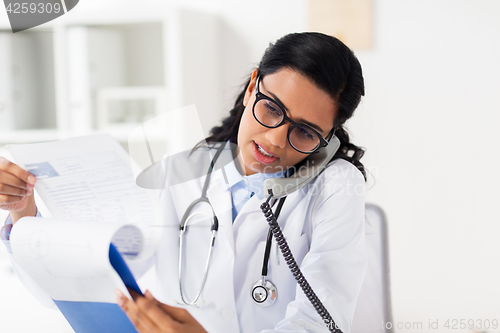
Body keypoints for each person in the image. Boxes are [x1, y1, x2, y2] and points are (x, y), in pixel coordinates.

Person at [1, 32, 368, 333]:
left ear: (328, 137)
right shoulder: (184, 171)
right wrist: (24, 210)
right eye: (272, 109)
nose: (274, 139)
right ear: (252, 85)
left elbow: (321, 322)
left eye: (304, 132)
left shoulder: (335, 186)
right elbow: (76, 283)